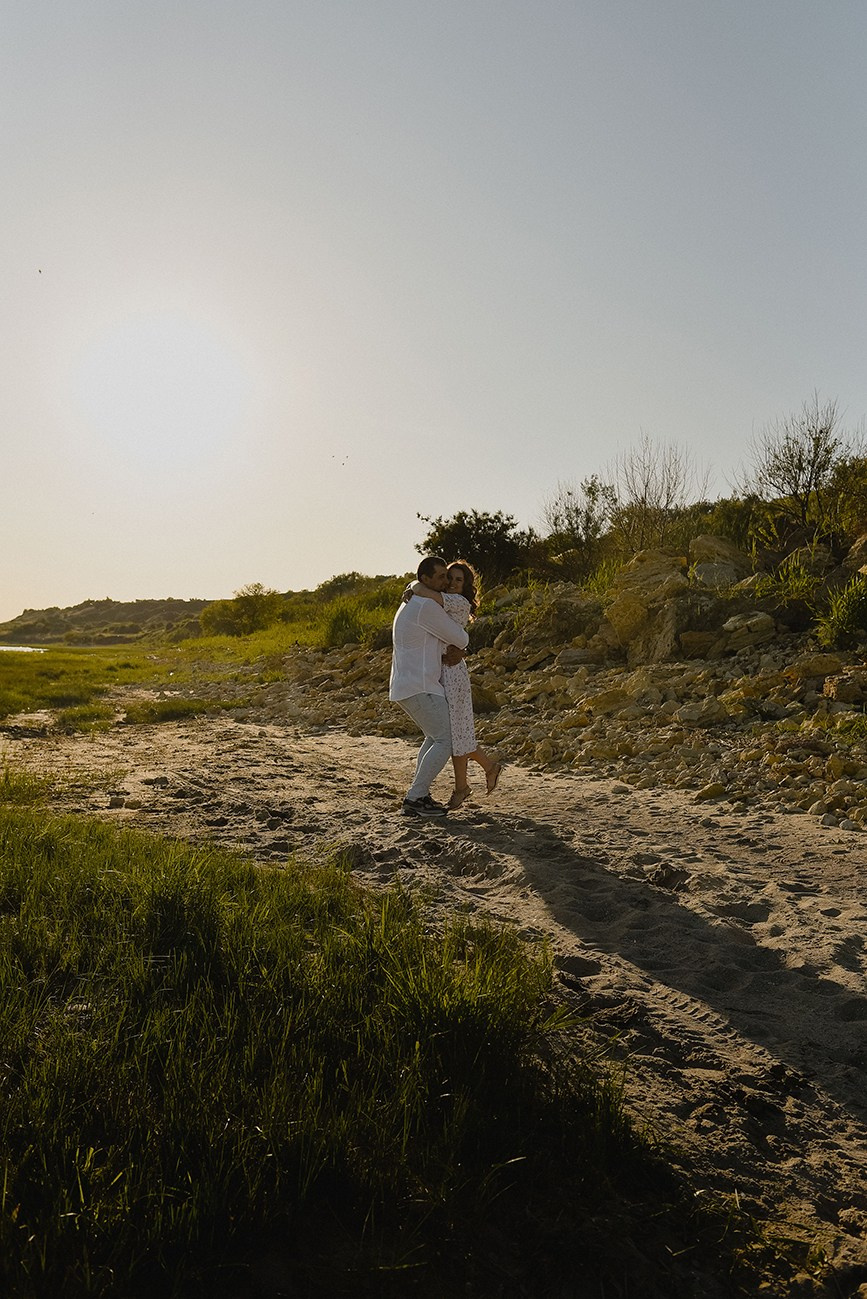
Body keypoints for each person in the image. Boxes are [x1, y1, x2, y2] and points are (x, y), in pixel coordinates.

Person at [405, 560, 502, 810]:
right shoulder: (442, 599)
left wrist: (414, 586)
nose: (451, 583)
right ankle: (472, 779)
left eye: (459, 580)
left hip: (453, 674)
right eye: (449, 577)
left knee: (458, 733)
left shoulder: (457, 602)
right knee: (456, 732)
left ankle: (472, 780)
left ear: (466, 586)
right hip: (442, 671)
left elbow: (425, 593)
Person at [389, 555, 469, 817]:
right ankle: (415, 797)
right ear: (425, 579)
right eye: (441, 577)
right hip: (420, 685)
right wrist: (461, 645)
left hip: (408, 684)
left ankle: (418, 794)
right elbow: (461, 638)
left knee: (434, 737)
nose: (446, 582)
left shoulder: (413, 601)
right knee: (446, 739)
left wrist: (416, 587)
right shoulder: (427, 606)